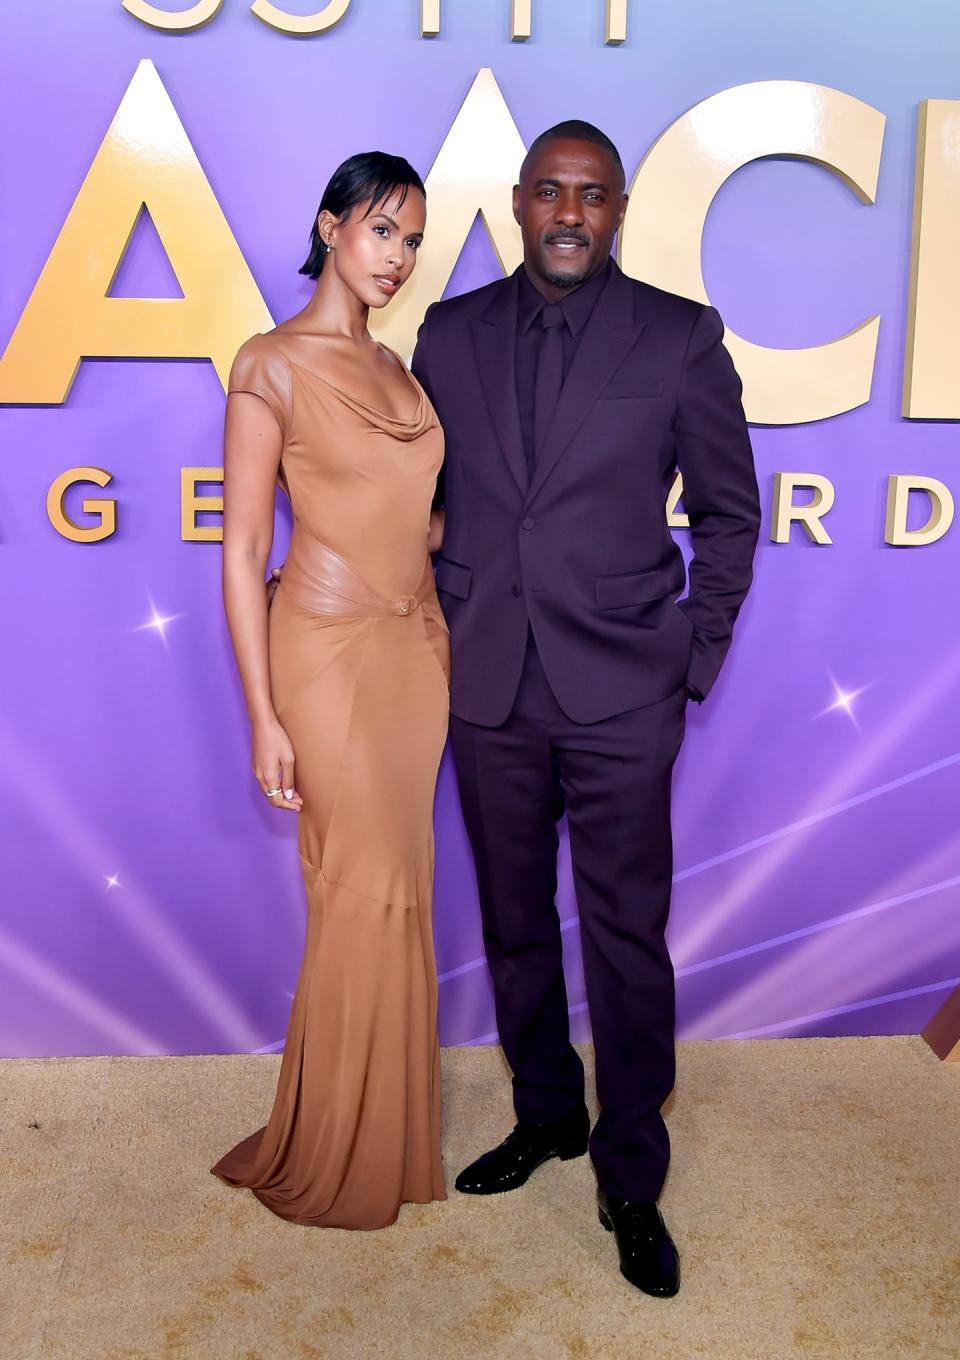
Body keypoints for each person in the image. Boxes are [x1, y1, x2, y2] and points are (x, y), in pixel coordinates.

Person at [411, 121, 761, 1295]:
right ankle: (547, 1112)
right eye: (551, 191)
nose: (571, 212)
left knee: (623, 937)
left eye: (593, 195)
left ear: (619, 210)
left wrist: (687, 659)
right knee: (513, 922)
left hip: (623, 691)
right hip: (488, 683)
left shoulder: (677, 337)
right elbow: (426, 504)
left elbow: (728, 513)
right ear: (517, 202)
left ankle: (630, 1174)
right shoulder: (447, 336)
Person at [210, 152, 450, 1230]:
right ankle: (331, 1146)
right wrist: (263, 715)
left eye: (411, 237)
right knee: (356, 893)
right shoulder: (271, 363)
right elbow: (243, 544)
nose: (396, 255)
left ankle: (382, 1129)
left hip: (417, 655)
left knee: (399, 890)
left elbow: (417, 519)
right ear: (331, 226)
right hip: (325, 651)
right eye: (382, 229)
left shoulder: (405, 373)